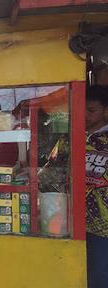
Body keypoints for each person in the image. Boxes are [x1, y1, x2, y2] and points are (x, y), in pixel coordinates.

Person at [85, 85, 108, 288]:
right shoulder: (73, 136)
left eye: (91, 111)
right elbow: (52, 165)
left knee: (100, 275)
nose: (85, 115)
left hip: (104, 223)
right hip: (76, 219)